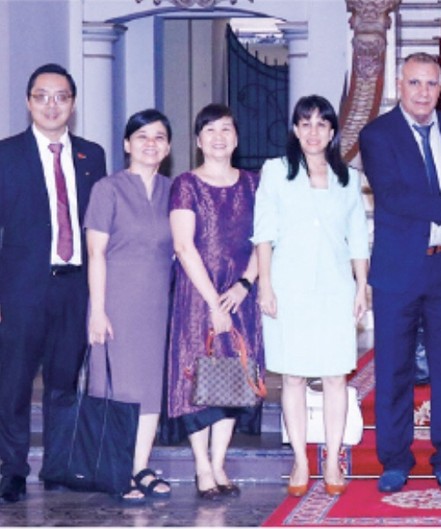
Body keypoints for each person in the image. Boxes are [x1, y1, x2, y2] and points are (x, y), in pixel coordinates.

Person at [358, 52, 441, 494]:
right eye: (415, 83)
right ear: (398, 83)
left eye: (431, 84)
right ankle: (394, 459)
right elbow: (394, 195)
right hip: (399, 268)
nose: (424, 92)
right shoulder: (377, 134)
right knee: (394, 369)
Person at [0, 63, 107, 504]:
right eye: (42, 96)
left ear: (73, 104)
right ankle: (12, 469)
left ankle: (59, 464)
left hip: (75, 288)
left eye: (60, 96)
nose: (51, 105)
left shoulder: (92, 155)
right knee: (14, 384)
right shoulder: (5, 155)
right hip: (22, 290)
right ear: (28, 103)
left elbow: (100, 228)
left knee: (65, 383)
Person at [253, 95, 369, 497]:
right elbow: (264, 232)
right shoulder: (275, 171)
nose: (313, 132)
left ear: (333, 132)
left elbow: (358, 237)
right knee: (294, 376)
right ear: (295, 129)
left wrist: (361, 286)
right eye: (305, 123)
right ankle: (301, 459)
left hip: (336, 287)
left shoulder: (348, 178)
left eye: (321, 124)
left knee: (336, 375)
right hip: (288, 286)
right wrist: (265, 284)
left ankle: (333, 457)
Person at [165, 103, 263, 501]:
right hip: (198, 294)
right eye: (210, 130)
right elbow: (184, 247)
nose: (219, 137)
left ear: (236, 138)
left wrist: (244, 284)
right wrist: (213, 303)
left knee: (232, 379)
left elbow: (265, 242)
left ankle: (219, 463)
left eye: (226, 129)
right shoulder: (186, 184)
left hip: (239, 294)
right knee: (197, 377)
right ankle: (202, 468)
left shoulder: (255, 184)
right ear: (198, 140)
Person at [84, 109, 175, 502]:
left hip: (157, 304)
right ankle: (115, 468)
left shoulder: (176, 190)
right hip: (115, 300)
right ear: (126, 145)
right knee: (116, 385)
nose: (150, 143)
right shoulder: (108, 189)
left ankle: (139, 466)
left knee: (150, 387)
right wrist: (98, 310)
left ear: (169, 147)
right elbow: (96, 253)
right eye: (142, 137)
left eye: (158, 137)